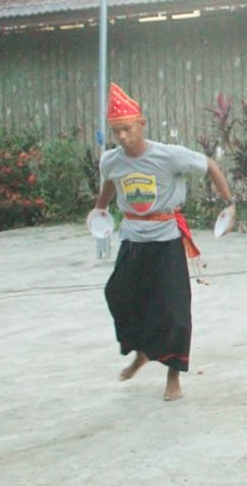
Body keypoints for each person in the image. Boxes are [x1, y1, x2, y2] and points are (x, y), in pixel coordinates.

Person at [93, 82, 234, 402]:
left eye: (128, 129)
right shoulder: (111, 161)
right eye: (117, 132)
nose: (124, 138)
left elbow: (210, 166)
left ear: (142, 124)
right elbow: (110, 184)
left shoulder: (170, 156)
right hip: (132, 239)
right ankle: (141, 351)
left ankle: (173, 376)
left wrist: (230, 202)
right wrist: (100, 207)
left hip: (166, 241)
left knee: (173, 312)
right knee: (118, 295)